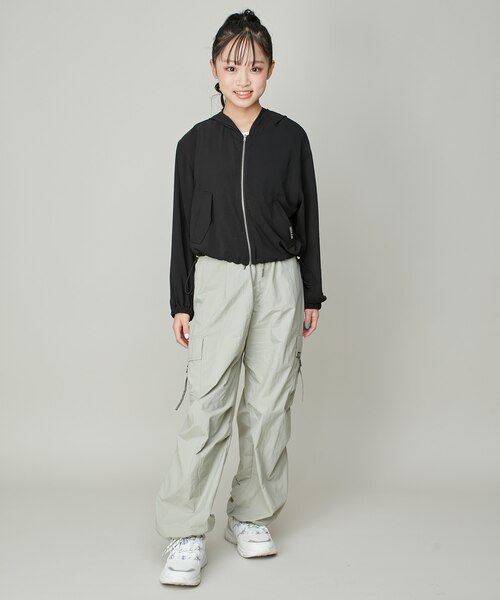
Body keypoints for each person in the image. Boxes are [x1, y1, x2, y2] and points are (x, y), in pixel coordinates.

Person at [155, 8, 327, 586]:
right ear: (214, 69)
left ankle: (250, 515)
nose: (243, 78)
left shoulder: (291, 139)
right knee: (206, 405)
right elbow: (181, 226)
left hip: (280, 281)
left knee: (269, 404)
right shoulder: (194, 145)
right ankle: (185, 529)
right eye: (232, 67)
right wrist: (181, 300)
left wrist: (312, 291)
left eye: (255, 67)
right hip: (218, 280)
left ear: (271, 69)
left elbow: (309, 218)